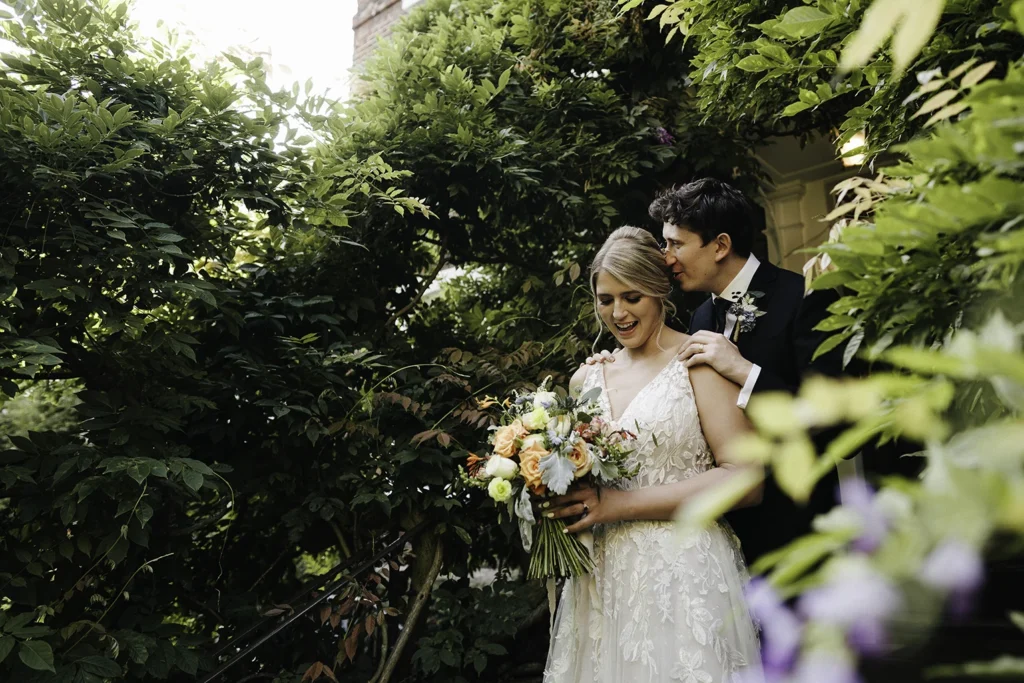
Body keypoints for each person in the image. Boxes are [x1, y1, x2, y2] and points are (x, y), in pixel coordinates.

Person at [543, 226, 764, 683]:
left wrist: (618, 505)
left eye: (632, 297)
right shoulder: (586, 381)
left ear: (660, 293)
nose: (618, 313)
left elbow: (747, 479)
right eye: (606, 300)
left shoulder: (699, 362)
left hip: (683, 575)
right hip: (601, 581)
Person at [586, 178, 842, 565]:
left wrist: (745, 371)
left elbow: (833, 414)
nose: (666, 257)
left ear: (720, 245)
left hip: (798, 525)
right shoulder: (702, 315)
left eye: (675, 244)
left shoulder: (803, 296)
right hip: (720, 539)